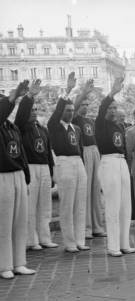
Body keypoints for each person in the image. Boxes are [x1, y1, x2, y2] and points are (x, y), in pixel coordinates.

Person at [47, 72, 90, 253]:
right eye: (67, 111)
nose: (70, 114)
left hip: (78, 162)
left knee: (80, 204)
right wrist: (68, 90)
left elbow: (79, 148)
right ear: (62, 112)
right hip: (64, 163)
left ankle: (80, 239)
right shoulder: (55, 126)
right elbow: (57, 112)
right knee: (67, 204)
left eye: (72, 111)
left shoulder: (77, 128)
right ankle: (70, 242)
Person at [14, 79, 58, 250]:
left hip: (44, 168)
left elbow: (48, 152)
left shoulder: (43, 129)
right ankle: (31, 240)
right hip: (31, 168)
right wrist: (29, 96)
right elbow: (21, 114)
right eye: (30, 110)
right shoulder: (21, 128)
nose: (33, 112)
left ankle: (44, 237)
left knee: (45, 205)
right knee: (31, 206)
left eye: (35, 110)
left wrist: (52, 171)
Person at [96, 76, 135, 257]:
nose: (112, 110)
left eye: (114, 107)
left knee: (125, 205)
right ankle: (113, 246)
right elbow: (102, 107)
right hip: (109, 162)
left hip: (121, 163)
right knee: (113, 205)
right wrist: (112, 92)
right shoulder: (101, 124)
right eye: (109, 108)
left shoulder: (118, 126)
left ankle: (124, 243)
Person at [0, 81, 36, 279]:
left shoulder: (12, 127)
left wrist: (27, 98)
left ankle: (19, 262)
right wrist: (11, 99)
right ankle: (4, 265)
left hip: (18, 176)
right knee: (3, 223)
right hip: (2, 177)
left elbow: (22, 119)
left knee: (20, 222)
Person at [73, 79, 105, 239]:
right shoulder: (75, 119)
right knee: (85, 190)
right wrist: (84, 92)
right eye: (82, 104)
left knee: (96, 188)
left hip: (94, 152)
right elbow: (74, 105)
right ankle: (86, 227)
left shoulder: (90, 120)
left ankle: (97, 226)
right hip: (84, 152)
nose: (84, 107)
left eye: (86, 104)